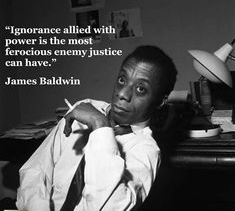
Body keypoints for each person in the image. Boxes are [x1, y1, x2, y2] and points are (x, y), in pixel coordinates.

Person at [16, 45, 177, 211]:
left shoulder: (147, 150)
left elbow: (110, 206)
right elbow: (36, 169)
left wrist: (101, 127)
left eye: (140, 89)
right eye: (122, 80)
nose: (123, 94)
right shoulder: (83, 109)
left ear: (160, 101)